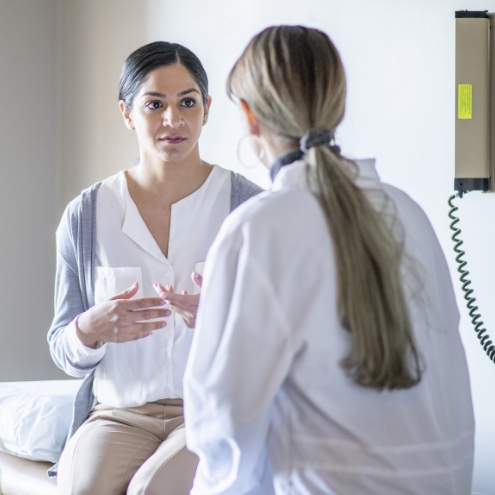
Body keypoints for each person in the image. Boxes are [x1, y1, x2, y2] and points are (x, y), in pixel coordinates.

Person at [183, 26, 475, 495]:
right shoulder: (407, 213)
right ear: (336, 106)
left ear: (247, 116)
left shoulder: (258, 229)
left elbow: (223, 430)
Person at [47, 41, 262, 495]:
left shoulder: (248, 207)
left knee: (150, 489)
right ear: (127, 113)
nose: (173, 120)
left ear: (206, 108)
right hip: (117, 414)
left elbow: (282, 338)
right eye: (154, 104)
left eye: (187, 102)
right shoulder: (86, 216)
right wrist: (89, 327)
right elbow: (62, 348)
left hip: (210, 409)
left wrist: (225, 323)